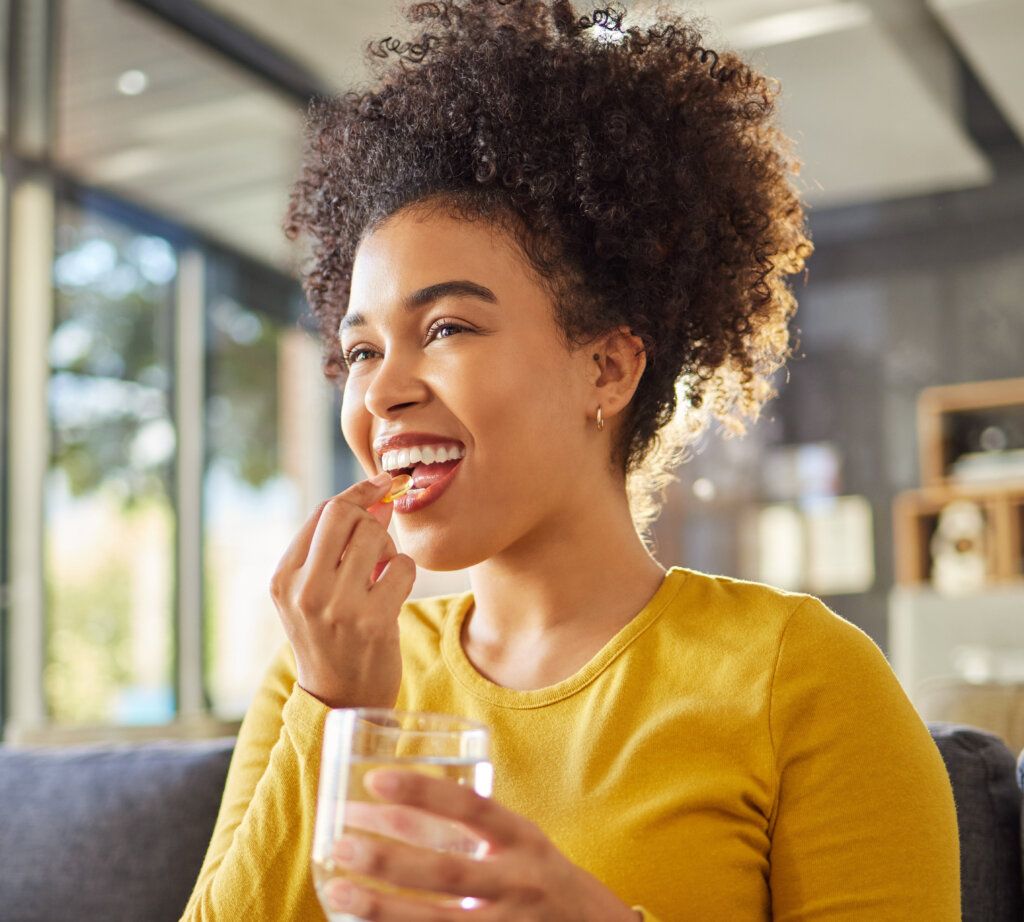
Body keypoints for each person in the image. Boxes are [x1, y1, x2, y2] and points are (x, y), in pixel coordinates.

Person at [181, 2, 961, 919]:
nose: (382, 390)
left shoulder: (800, 676)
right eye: (359, 351)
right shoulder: (325, 671)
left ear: (607, 367)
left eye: (446, 328)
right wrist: (340, 716)